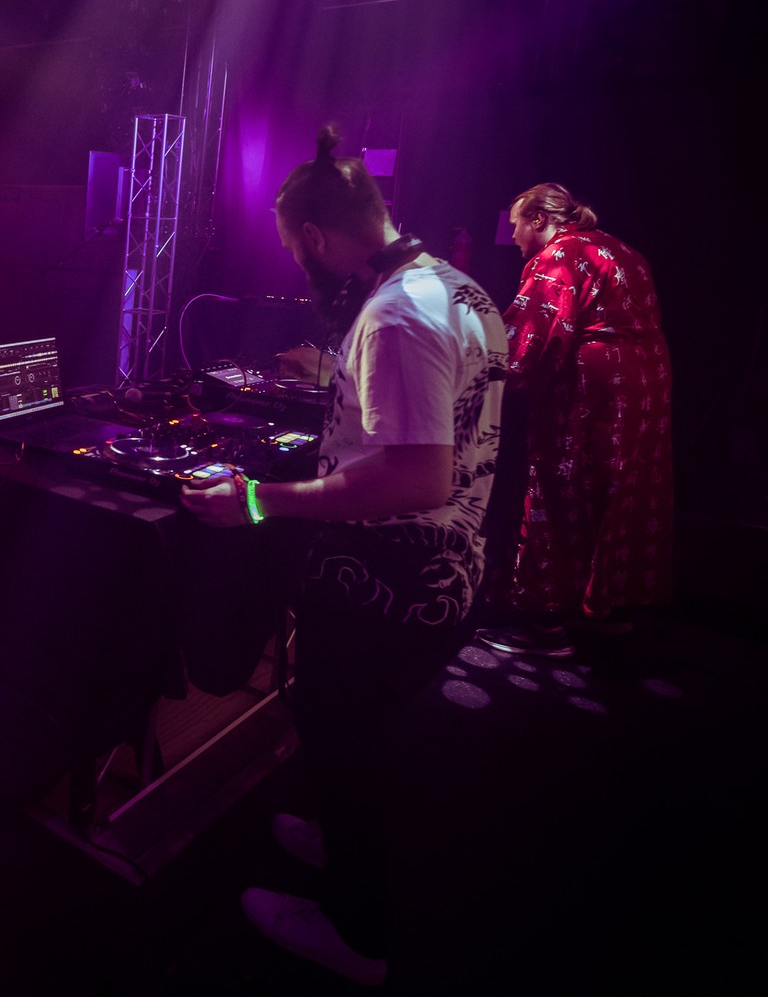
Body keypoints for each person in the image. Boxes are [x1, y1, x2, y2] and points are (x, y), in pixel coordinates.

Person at [180, 124, 506, 987]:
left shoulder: (394, 315)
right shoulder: (460, 288)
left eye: (296, 251)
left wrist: (259, 500)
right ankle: (340, 843)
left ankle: (356, 935)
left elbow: (416, 477)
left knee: (344, 735)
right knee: (363, 740)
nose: (300, 267)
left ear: (318, 238)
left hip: (387, 583)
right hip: (449, 575)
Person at [478, 183, 674, 658]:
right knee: (619, 494)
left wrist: (475, 369)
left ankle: (544, 625)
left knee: (557, 490)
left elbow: (529, 338)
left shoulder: (558, 256)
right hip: (645, 386)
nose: (514, 236)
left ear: (539, 220)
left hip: (592, 390)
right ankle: (608, 614)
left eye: (517, 225)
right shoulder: (622, 249)